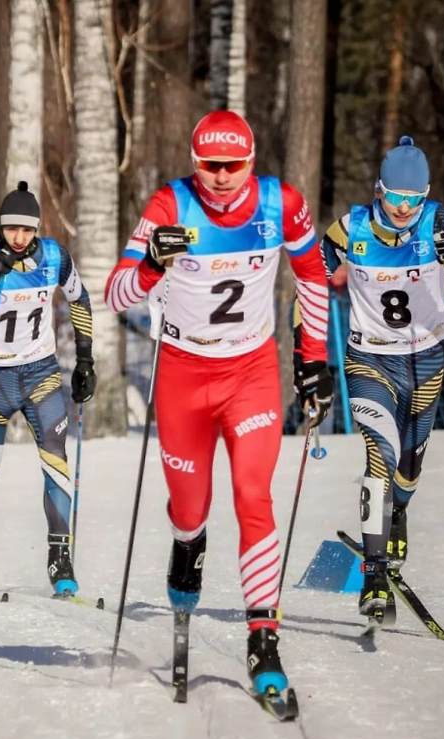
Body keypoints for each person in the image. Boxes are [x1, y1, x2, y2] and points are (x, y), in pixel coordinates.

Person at [106, 110, 332, 698]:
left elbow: (313, 275)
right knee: (190, 508)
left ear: (251, 162)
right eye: (211, 165)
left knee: (253, 494)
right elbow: (116, 294)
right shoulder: (169, 205)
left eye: (234, 165)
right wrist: (153, 261)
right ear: (194, 162)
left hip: (250, 371)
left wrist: (313, 358)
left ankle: (263, 638)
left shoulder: (281, 203)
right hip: (183, 374)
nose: (224, 176)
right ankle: (189, 543)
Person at [320, 136, 444, 622]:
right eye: (396, 198)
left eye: (414, 200)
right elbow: (311, 282)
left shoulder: (442, 222)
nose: (404, 209)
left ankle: (398, 511)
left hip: (427, 361)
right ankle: (373, 572)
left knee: (410, 466)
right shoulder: (349, 228)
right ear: (379, 190)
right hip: (369, 361)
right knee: (381, 454)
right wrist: (307, 350)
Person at [0, 181, 97, 597]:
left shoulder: (54, 257)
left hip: (41, 374)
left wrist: (85, 359)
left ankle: (60, 557)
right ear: (1, 227)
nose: (19, 238)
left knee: (56, 459)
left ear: (37, 229)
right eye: (11, 229)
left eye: (27, 230)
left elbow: (80, 300)